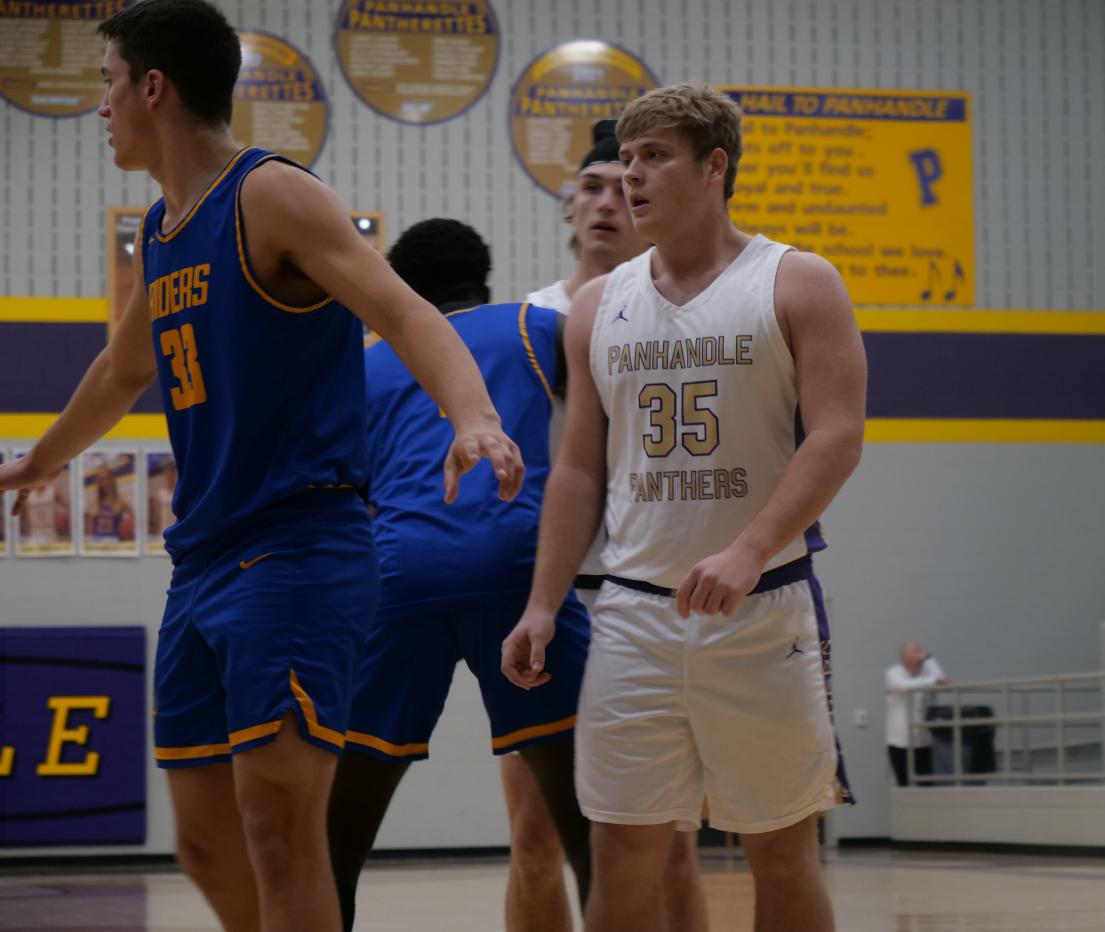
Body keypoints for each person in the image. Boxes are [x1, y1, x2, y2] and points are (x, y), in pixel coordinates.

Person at [0, 4, 521, 932]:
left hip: (296, 547)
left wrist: (473, 415)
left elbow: (404, 313)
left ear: (152, 86)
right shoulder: (162, 229)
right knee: (205, 841)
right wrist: (33, 463)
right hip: (201, 562)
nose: (101, 107)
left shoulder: (270, 194)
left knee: (280, 831)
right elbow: (121, 372)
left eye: (107, 83)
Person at [502, 84, 867, 932]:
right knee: (624, 845)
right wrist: (544, 601)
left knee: (778, 844)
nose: (631, 178)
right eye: (625, 160)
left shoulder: (799, 280)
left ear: (714, 167)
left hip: (763, 606)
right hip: (633, 613)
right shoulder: (596, 307)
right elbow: (580, 471)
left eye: (653, 157)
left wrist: (750, 548)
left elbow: (837, 438)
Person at [327, 218, 592, 932]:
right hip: (519, 566)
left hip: (396, 574)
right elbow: (606, 427)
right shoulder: (537, 325)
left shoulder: (362, 360)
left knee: (336, 840)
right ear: (485, 277)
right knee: (588, 829)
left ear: (402, 288)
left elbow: (342, 487)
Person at [523, 118, 708, 932]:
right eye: (589, 186)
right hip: (556, 592)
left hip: (654, 589)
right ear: (569, 207)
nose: (605, 200)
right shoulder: (524, 320)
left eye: (620, 183)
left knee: (669, 842)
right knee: (532, 836)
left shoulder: (700, 301)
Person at [885, 642, 951, 787]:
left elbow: (942, 680)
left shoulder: (925, 674)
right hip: (899, 741)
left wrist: (929, 658)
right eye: (916, 650)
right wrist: (933, 680)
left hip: (923, 740)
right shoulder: (894, 673)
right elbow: (903, 686)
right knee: (903, 782)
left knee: (926, 783)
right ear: (904, 656)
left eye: (920, 650)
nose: (920, 652)